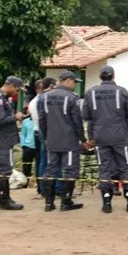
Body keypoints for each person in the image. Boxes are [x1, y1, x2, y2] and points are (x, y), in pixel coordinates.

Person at [81, 66, 128, 213]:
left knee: (104, 168)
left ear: (101, 77)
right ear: (113, 76)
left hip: (100, 136)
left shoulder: (90, 92)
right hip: (120, 135)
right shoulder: (122, 91)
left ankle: (106, 202)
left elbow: (85, 115)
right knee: (125, 166)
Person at [39, 70, 87, 212]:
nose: (75, 85)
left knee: (51, 170)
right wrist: (82, 139)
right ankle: (66, 202)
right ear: (68, 80)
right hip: (69, 140)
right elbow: (77, 121)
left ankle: (49, 203)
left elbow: (42, 120)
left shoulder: (46, 97)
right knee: (70, 170)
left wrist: (47, 136)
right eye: (74, 82)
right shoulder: (72, 98)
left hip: (52, 139)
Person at [0, 76, 26, 210]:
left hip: (2, 139)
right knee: (4, 170)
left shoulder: (2, 98)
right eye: (17, 89)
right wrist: (15, 117)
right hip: (2, 140)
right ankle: (5, 200)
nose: (17, 92)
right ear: (11, 85)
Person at [19, 109, 36, 181]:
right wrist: (23, 145)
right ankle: (26, 181)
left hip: (39, 146)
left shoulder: (41, 121)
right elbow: (23, 134)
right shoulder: (25, 121)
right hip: (28, 146)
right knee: (26, 166)